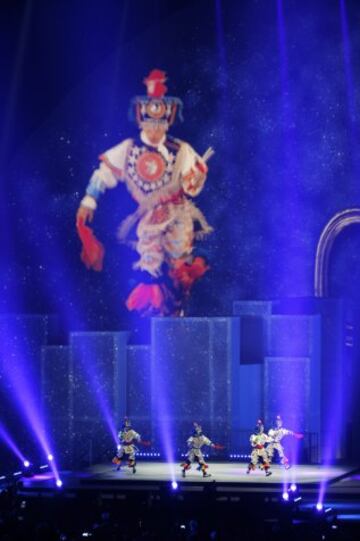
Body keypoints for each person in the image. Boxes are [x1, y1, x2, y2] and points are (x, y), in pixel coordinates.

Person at [76, 69, 213, 316]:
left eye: (160, 123)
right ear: (141, 120)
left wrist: (198, 175)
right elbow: (103, 174)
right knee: (151, 269)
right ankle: (157, 321)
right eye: (150, 123)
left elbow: (192, 186)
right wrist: (89, 200)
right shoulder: (129, 149)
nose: (154, 129)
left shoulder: (179, 150)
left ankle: (177, 313)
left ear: (168, 122)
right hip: (148, 220)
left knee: (180, 269)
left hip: (177, 216)